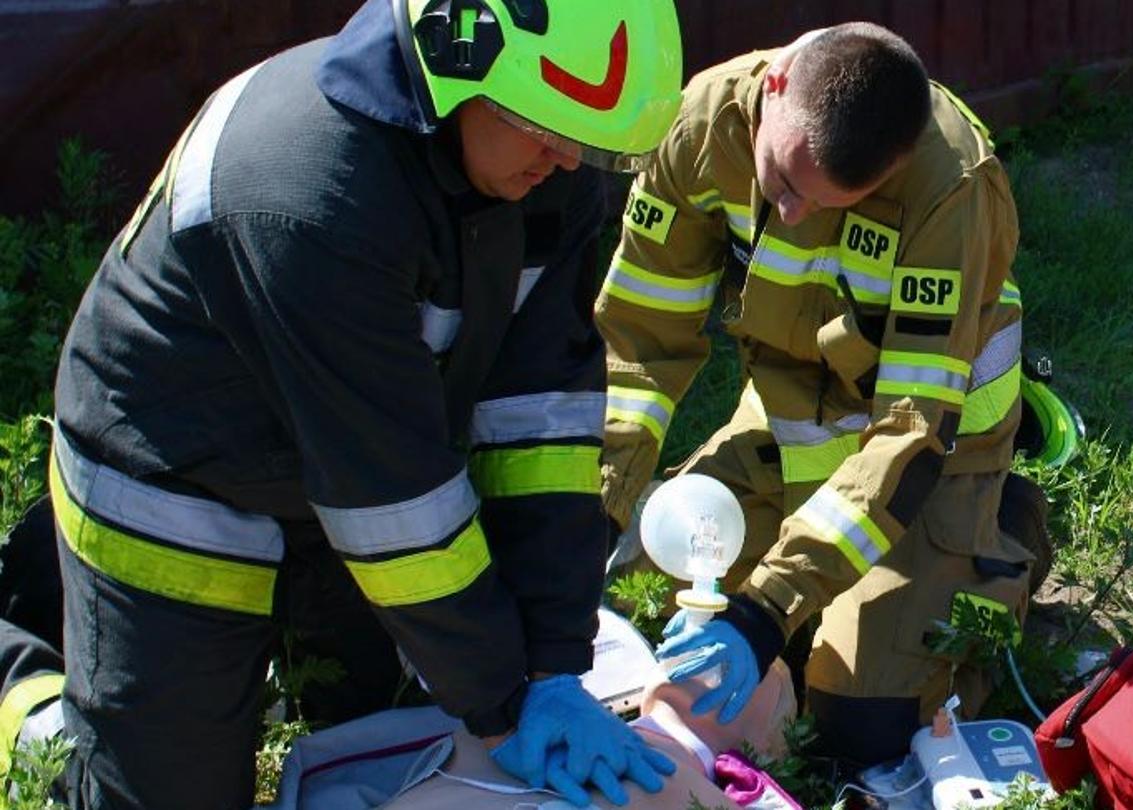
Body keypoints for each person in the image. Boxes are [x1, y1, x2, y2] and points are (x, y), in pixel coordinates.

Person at [27, 0, 683, 806]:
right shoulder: (308, 186)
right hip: (177, 474)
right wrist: (505, 704)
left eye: (590, 141)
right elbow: (391, 500)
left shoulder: (541, 158)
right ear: (455, 62)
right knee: (167, 789)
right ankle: (27, 689)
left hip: (352, 471)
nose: (569, 162)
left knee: (380, 725)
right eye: (548, 131)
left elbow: (541, 417)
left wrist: (552, 661)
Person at [596, 22, 1036, 765]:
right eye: (785, 185)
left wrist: (768, 609)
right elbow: (639, 346)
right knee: (631, 614)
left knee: (862, 726)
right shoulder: (701, 129)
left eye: (831, 200)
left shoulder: (950, 187)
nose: (795, 214)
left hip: (935, 464)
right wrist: (589, 512)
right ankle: (829, 595)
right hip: (788, 429)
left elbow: (911, 430)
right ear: (774, 88)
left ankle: (1003, 534)